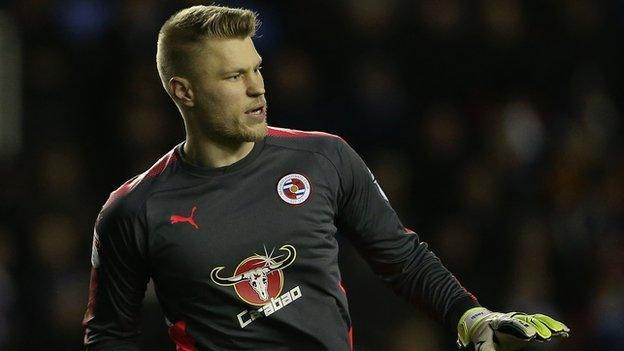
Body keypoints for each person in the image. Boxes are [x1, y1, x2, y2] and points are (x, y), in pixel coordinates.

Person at [82, 5, 570, 351]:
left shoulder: (323, 157)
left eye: (257, 69)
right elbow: (110, 336)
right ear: (183, 91)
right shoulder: (133, 211)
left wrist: (469, 316)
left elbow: (399, 255)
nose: (256, 87)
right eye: (233, 77)